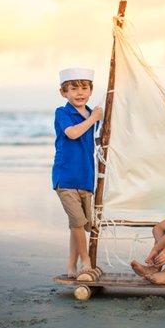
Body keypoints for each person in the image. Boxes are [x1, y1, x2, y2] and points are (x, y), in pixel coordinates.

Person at [52, 67, 102, 278]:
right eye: (73, 88)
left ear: (91, 90)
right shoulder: (62, 113)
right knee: (77, 222)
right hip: (66, 177)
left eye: (84, 88)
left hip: (86, 177)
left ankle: (71, 265)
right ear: (64, 92)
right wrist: (93, 119)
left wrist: (97, 117)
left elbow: (98, 139)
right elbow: (72, 133)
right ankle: (86, 261)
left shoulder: (93, 114)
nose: (79, 93)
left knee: (80, 224)